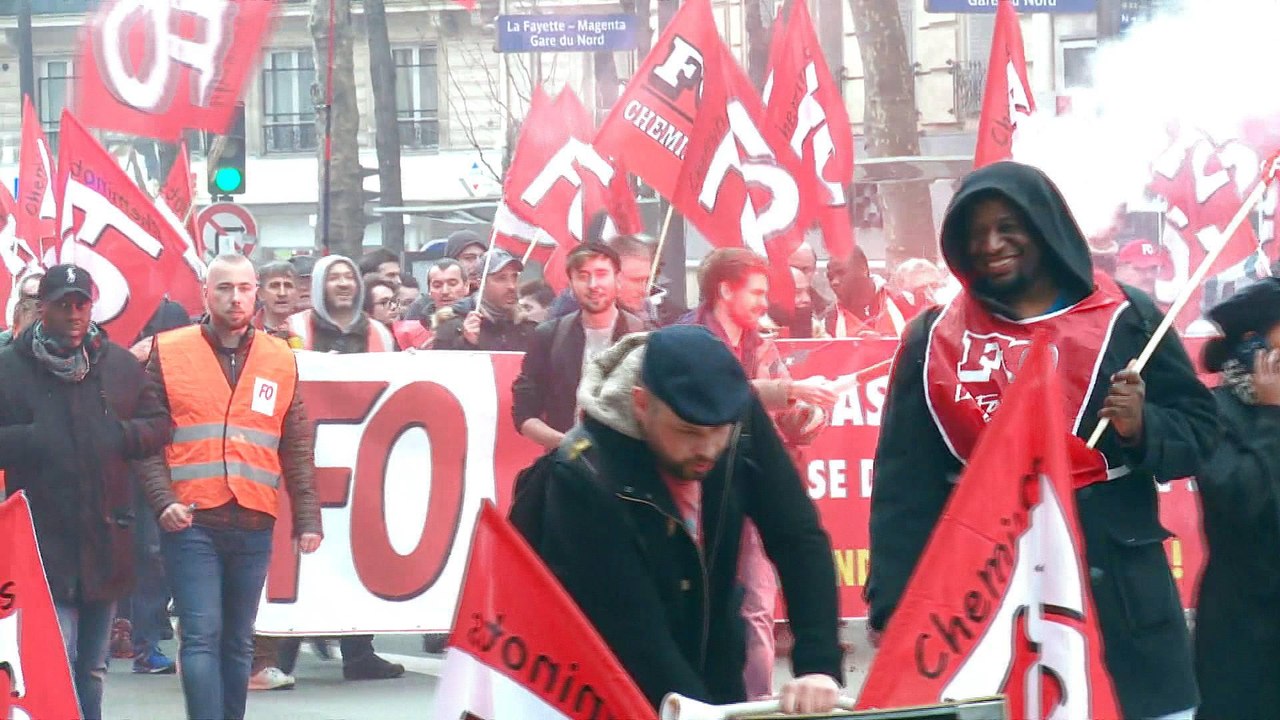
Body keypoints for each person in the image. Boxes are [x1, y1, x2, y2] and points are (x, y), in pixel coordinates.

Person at [868, 161, 1219, 720]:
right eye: (973, 232)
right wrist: (894, 610)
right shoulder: (932, 339)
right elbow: (902, 490)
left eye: (1008, 226)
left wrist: (1143, 426)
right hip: (990, 606)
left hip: (1122, 609)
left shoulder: (1129, 317)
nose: (990, 244)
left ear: (1045, 224)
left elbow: (1202, 435)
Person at [529, 325, 843, 712]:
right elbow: (632, 628)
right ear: (642, 405)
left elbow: (797, 536)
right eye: (688, 432)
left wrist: (818, 664)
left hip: (717, 658)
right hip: (614, 685)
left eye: (719, 433)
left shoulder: (737, 414)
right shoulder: (585, 472)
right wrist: (694, 708)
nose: (708, 450)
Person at [136, 254, 323, 720]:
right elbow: (146, 443)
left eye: (243, 287)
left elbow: (295, 443)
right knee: (201, 634)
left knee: (239, 640)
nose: (235, 297)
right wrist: (163, 503)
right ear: (206, 293)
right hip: (191, 519)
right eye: (224, 288)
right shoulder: (168, 351)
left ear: (255, 291)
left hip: (254, 518)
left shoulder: (280, 357)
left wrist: (308, 517)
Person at [0, 264, 172, 720]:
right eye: (63, 305)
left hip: (105, 538)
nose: (74, 314)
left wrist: (119, 436)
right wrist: (35, 438)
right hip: (42, 542)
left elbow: (159, 425)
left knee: (92, 667)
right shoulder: (9, 368)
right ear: (42, 309)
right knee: (53, 657)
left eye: (82, 304)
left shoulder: (117, 364)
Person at [685, 247, 836, 698]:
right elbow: (719, 391)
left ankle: (757, 701)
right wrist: (789, 390)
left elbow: (788, 421)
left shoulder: (761, 343)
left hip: (755, 482)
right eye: (756, 292)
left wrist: (811, 410)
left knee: (758, 601)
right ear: (724, 290)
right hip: (700, 491)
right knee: (710, 602)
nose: (763, 302)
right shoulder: (687, 340)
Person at [1191, 279, 1280, 718]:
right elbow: (1242, 500)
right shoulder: (1212, 412)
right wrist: (1270, 416)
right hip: (1242, 626)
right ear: (1253, 346)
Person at [513, 244, 647, 450]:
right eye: (583, 276)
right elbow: (524, 413)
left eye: (601, 274)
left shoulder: (644, 337)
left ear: (617, 279)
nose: (593, 284)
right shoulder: (548, 336)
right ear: (571, 283)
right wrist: (568, 444)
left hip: (628, 466)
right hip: (564, 466)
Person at [434, 249, 537, 352]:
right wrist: (466, 343)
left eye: (514, 277)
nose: (511, 286)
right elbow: (442, 366)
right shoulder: (453, 326)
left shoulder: (527, 328)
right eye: (501, 278)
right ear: (480, 283)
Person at [286, 255, 395, 352]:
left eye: (349, 277)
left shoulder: (380, 333)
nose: (343, 284)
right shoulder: (295, 328)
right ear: (318, 286)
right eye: (333, 278)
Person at [549, 234, 662, 325]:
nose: (645, 290)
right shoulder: (560, 334)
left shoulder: (645, 319)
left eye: (646, 281)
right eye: (636, 280)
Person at [823, 246, 879, 338]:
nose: (834, 282)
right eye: (830, 277)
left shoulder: (900, 302)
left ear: (863, 269)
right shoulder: (831, 317)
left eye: (841, 273)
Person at [403, 258, 469, 324]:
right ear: (429, 289)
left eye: (452, 284)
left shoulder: (476, 320)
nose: (445, 291)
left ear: (466, 286)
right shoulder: (416, 321)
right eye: (437, 285)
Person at [253, 261, 300, 339]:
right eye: (274, 286)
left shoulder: (308, 330)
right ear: (260, 293)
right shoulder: (246, 331)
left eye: (288, 285)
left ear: (298, 293)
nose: (282, 293)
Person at [0, 271, 42, 347]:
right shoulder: (3, 342)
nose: (37, 303)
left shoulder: (63, 338)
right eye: (33, 297)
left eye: (42, 296)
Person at [445, 229, 487, 294]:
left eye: (482, 257)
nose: (478, 264)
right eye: (468, 258)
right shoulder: (439, 299)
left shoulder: (495, 300)